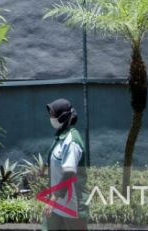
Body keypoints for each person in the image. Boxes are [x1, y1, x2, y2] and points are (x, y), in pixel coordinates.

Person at [43, 98, 87, 231]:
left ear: (62, 117)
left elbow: (69, 173)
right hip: (57, 204)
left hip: (71, 206)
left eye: (53, 114)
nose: (50, 117)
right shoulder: (61, 136)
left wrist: (53, 198)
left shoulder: (72, 141)